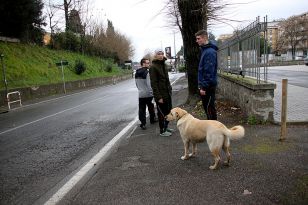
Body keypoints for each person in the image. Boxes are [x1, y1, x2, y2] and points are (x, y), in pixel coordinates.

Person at [149, 49, 174, 137]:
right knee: (161, 113)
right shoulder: (153, 67)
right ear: (155, 55)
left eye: (162, 53)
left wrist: (170, 89)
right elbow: (154, 83)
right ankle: (162, 130)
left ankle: (166, 127)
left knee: (168, 111)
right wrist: (158, 97)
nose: (161, 55)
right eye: (159, 54)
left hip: (167, 93)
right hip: (160, 95)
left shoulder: (164, 65)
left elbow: (166, 80)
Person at [195, 29, 218, 120]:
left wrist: (203, 87)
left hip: (207, 86)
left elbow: (208, 72)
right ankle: (213, 128)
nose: (196, 41)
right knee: (208, 108)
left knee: (209, 108)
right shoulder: (205, 50)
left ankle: (214, 130)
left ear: (204, 38)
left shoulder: (209, 52)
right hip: (206, 85)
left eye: (198, 39)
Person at [135, 58, 157, 130]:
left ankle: (143, 123)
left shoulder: (136, 73)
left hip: (141, 94)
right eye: (147, 63)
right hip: (148, 94)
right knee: (151, 107)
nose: (149, 64)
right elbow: (149, 84)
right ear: (143, 64)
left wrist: (140, 90)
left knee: (141, 109)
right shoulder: (147, 73)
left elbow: (137, 84)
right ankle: (152, 119)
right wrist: (152, 93)